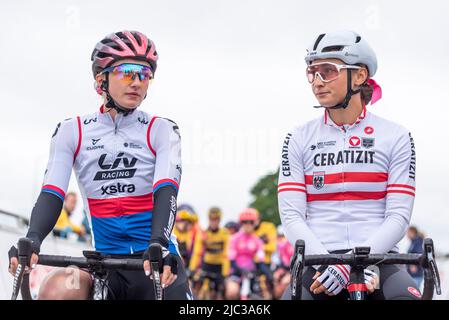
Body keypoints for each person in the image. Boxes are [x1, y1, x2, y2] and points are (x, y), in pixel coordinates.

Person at [8, 30, 192, 300]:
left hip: (157, 261)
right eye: (128, 72)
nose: (137, 82)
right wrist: (33, 239)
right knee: (57, 287)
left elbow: (166, 190)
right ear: (100, 80)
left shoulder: (162, 130)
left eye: (145, 74)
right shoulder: (72, 131)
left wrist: (159, 245)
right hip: (105, 265)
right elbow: (52, 193)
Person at [278, 30, 420, 300]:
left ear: (359, 75)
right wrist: (331, 266)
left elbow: (398, 217)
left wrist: (354, 263)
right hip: (318, 261)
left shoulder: (396, 136)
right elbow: (292, 217)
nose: (317, 81)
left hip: (380, 259)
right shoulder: (297, 137)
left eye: (328, 70)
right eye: (312, 72)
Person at [225, 208, 271, 300]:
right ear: (241, 223)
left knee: (267, 294)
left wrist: (269, 275)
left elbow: (260, 260)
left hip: (252, 273)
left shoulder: (257, 240)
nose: (248, 225)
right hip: (236, 272)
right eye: (245, 222)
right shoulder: (234, 238)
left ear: (255, 223)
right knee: (232, 292)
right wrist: (241, 270)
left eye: (251, 222)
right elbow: (231, 260)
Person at [189, 207, 230, 299]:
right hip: (206, 265)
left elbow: (226, 254)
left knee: (221, 292)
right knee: (196, 285)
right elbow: (197, 252)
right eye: (211, 219)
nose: (213, 222)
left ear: (219, 220)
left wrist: (225, 273)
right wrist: (192, 268)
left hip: (219, 266)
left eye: (216, 219)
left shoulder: (225, 234)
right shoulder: (203, 233)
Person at [173, 203, 200, 271]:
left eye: (190, 223)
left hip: (187, 268)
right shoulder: (172, 232)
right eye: (187, 222)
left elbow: (196, 253)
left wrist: (192, 270)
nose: (190, 225)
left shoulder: (194, 234)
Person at [272, 225, 293, 299]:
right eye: (279, 236)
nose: (281, 238)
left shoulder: (292, 244)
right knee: (275, 277)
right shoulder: (279, 246)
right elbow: (279, 261)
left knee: (284, 282)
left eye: (282, 236)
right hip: (284, 268)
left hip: (293, 270)